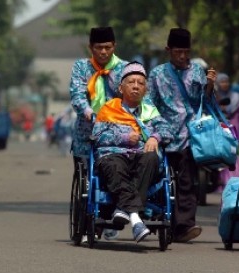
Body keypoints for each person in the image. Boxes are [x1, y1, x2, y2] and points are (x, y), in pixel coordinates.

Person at [147, 28, 216, 242]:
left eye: (186, 51)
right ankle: (158, 217)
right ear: (169, 50)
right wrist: (151, 130)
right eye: (178, 51)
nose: (183, 56)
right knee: (159, 178)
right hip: (163, 133)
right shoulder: (157, 74)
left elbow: (206, 101)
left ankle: (184, 226)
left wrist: (210, 85)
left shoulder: (196, 71)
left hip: (189, 135)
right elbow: (148, 103)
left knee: (187, 181)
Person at [92, 61, 173, 242]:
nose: (136, 86)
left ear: (145, 90)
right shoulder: (109, 109)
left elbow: (167, 131)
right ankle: (136, 218)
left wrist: (154, 138)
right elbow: (97, 137)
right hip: (114, 155)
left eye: (140, 83)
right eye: (131, 82)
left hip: (141, 157)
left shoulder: (150, 111)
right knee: (113, 164)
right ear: (121, 88)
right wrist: (124, 138)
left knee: (152, 158)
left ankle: (123, 210)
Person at [69, 26, 127, 159]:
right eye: (98, 48)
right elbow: (77, 93)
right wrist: (86, 110)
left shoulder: (125, 68)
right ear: (90, 47)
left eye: (107, 47)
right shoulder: (81, 67)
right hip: (88, 132)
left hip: (118, 133)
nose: (103, 52)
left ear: (114, 46)